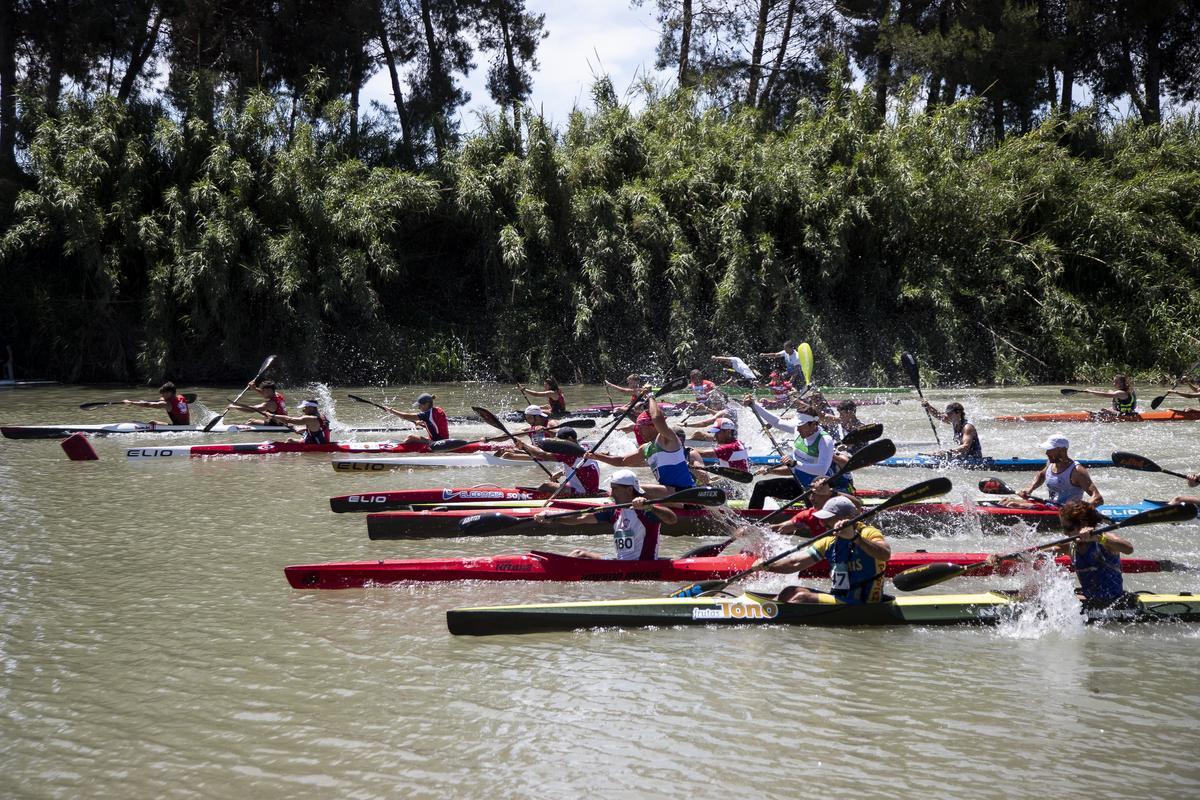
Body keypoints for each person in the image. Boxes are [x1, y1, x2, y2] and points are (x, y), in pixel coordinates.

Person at [757, 496, 890, 604]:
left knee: (802, 599)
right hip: (840, 598)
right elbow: (795, 563)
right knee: (789, 592)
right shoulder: (829, 541)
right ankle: (760, 609)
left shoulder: (868, 533)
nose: (822, 523)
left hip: (865, 602)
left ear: (844, 518)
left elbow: (885, 554)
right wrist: (767, 566)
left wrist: (856, 538)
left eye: (827, 519)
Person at [534, 469, 678, 560]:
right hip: (620, 564)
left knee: (578, 555)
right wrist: (551, 517)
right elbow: (580, 518)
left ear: (629, 490)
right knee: (579, 554)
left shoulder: (646, 510)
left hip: (643, 567)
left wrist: (651, 507)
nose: (610, 493)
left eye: (614, 489)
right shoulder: (613, 510)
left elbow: (672, 519)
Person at [744, 397, 847, 509]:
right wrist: (755, 406)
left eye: (801, 426)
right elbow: (777, 421)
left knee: (812, 514)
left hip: (817, 489)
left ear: (813, 424)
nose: (797, 429)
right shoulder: (798, 429)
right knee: (761, 486)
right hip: (798, 483)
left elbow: (821, 469)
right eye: (797, 426)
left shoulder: (825, 440)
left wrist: (795, 464)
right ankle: (753, 520)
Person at [592, 396, 695, 495]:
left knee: (633, 488)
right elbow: (622, 461)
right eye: (638, 428)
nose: (639, 432)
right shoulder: (645, 448)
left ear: (653, 426)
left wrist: (650, 397)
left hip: (684, 492)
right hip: (667, 491)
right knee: (621, 485)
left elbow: (657, 418)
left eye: (642, 428)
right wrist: (596, 456)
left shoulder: (667, 439)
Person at [1004, 435, 1104, 508]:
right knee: (1005, 502)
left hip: (1066, 512)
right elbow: (1041, 475)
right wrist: (1029, 489)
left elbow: (1098, 498)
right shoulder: (1050, 464)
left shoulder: (1077, 471)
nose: (1047, 453)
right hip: (1050, 505)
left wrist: (1080, 510)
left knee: (1012, 505)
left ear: (1062, 450)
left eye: (1050, 449)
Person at [510, 427, 601, 497]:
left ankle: (534, 501)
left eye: (560, 441)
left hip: (585, 494)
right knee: (555, 485)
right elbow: (581, 467)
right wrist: (562, 473)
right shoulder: (585, 447)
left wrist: (523, 444)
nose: (558, 444)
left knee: (546, 486)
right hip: (588, 488)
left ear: (570, 439)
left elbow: (542, 455)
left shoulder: (570, 454)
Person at [766, 477, 862, 537]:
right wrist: (759, 531)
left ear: (829, 495)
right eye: (810, 494)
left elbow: (858, 505)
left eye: (816, 494)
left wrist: (832, 492)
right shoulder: (808, 515)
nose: (811, 498)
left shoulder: (844, 511)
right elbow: (780, 528)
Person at [382, 393, 450, 445]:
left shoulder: (426, 414)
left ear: (427, 404)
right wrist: (424, 424)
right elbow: (436, 424)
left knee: (410, 437)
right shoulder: (438, 410)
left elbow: (404, 416)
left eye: (420, 405)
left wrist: (391, 411)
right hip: (443, 440)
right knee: (415, 438)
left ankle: (398, 448)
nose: (419, 408)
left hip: (437, 443)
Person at [266, 399, 332, 444]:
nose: (303, 410)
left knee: (290, 440)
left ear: (311, 408)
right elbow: (319, 429)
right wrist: (304, 430)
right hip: (321, 440)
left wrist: (272, 415)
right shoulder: (322, 416)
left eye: (304, 408)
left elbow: (288, 420)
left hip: (317, 444)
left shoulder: (310, 418)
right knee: (296, 429)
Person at [123, 382, 190, 425]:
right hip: (187, 425)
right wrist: (163, 399)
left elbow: (147, 404)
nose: (162, 396)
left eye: (163, 394)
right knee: (152, 422)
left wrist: (131, 402)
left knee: (151, 423)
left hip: (178, 428)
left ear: (169, 393)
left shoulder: (167, 404)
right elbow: (173, 402)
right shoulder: (181, 397)